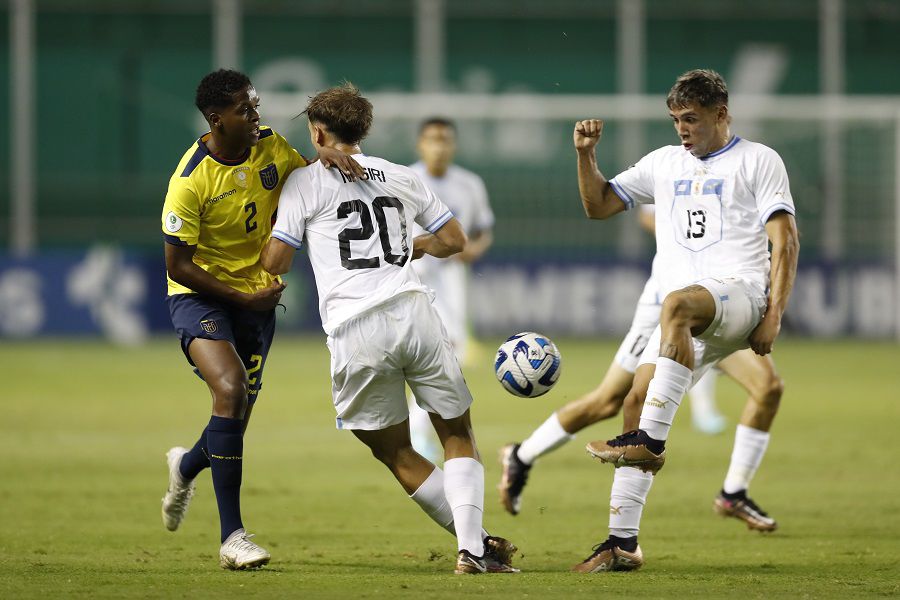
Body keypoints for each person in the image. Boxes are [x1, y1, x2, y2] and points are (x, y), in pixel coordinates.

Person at [259, 83, 517, 575]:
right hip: (414, 312)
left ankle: (474, 544)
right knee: (457, 432)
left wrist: (274, 233)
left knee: (394, 449)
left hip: (356, 329)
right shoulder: (401, 176)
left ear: (317, 133)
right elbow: (455, 239)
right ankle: (474, 546)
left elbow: (275, 262)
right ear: (364, 131)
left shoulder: (303, 185)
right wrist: (411, 246)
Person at [568, 69, 799, 573]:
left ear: (721, 114)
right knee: (632, 403)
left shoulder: (758, 160)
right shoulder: (663, 163)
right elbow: (599, 205)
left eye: (691, 119)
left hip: (739, 297)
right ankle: (621, 543)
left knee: (674, 305)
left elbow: (786, 240)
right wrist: (586, 156)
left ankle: (654, 445)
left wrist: (774, 314)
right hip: (691, 321)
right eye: (675, 119)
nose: (681, 129)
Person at [160, 69, 362, 570]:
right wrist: (239, 298)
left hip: (256, 297)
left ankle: (185, 467)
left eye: (256, 107)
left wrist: (327, 157)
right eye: (245, 111)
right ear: (215, 119)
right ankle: (233, 538)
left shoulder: (271, 147)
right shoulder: (189, 182)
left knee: (236, 413)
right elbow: (177, 265)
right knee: (228, 390)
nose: (256, 118)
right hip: (200, 295)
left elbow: (306, 178)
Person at [499, 204, 783, 521]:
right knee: (610, 400)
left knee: (768, 388)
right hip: (666, 304)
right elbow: (642, 212)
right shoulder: (675, 165)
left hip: (718, 304)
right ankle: (522, 456)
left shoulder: (741, 170)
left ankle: (733, 493)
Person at [407, 118, 495, 462]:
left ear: (453, 145)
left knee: (449, 359)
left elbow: (483, 230)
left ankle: (429, 432)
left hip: (452, 281)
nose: (439, 146)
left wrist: (475, 247)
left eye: (445, 140)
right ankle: (423, 433)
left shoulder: (469, 184)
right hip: (411, 278)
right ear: (420, 144)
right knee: (426, 357)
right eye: (432, 139)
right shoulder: (406, 179)